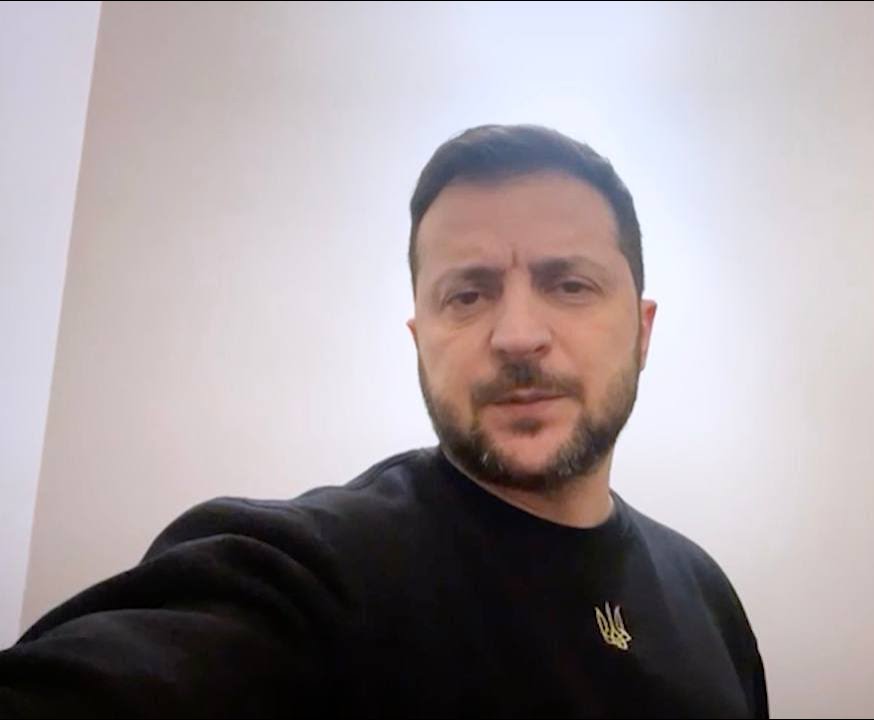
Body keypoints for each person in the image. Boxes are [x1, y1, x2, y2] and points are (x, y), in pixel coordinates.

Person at [0, 124, 768, 718]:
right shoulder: (314, 575)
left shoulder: (707, 596)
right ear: (420, 339)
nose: (516, 336)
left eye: (569, 284)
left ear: (642, 331)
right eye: (467, 295)